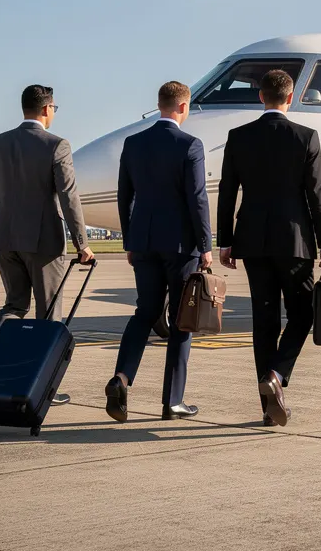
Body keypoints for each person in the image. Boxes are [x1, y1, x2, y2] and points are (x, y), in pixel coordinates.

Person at [217, 69, 321, 427]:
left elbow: (227, 191)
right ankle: (276, 375)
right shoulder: (306, 137)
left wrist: (225, 241)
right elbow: (317, 195)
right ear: (291, 97)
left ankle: (268, 409)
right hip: (295, 242)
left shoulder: (239, 137)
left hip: (252, 241)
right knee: (303, 315)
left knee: (264, 321)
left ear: (260, 97)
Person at [0, 84, 94, 406]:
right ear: (46, 109)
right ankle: (42, 386)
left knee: (14, 306)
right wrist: (82, 243)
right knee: (49, 313)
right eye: (54, 108)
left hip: (3, 239)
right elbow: (68, 196)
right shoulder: (57, 145)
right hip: (43, 243)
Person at [105, 81, 212, 422]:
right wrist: (206, 245)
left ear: (160, 104)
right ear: (183, 107)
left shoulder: (133, 143)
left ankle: (121, 378)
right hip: (180, 246)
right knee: (182, 321)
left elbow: (124, 196)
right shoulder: (190, 145)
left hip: (143, 242)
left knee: (144, 313)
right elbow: (197, 198)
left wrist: (130, 241)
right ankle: (172, 401)